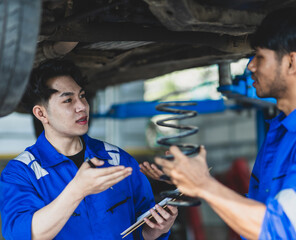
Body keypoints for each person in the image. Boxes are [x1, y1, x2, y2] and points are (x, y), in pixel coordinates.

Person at [153, 8, 296, 239]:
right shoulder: (285, 130)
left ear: (292, 63)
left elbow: (282, 230)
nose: (250, 66)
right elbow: (265, 215)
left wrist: (203, 184)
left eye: (259, 57)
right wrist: (192, 181)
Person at [0, 59, 178, 240]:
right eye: (68, 100)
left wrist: (156, 230)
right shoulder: (21, 173)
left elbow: (141, 231)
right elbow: (23, 235)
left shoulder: (118, 159)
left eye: (82, 96)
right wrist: (77, 191)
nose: (82, 106)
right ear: (41, 113)